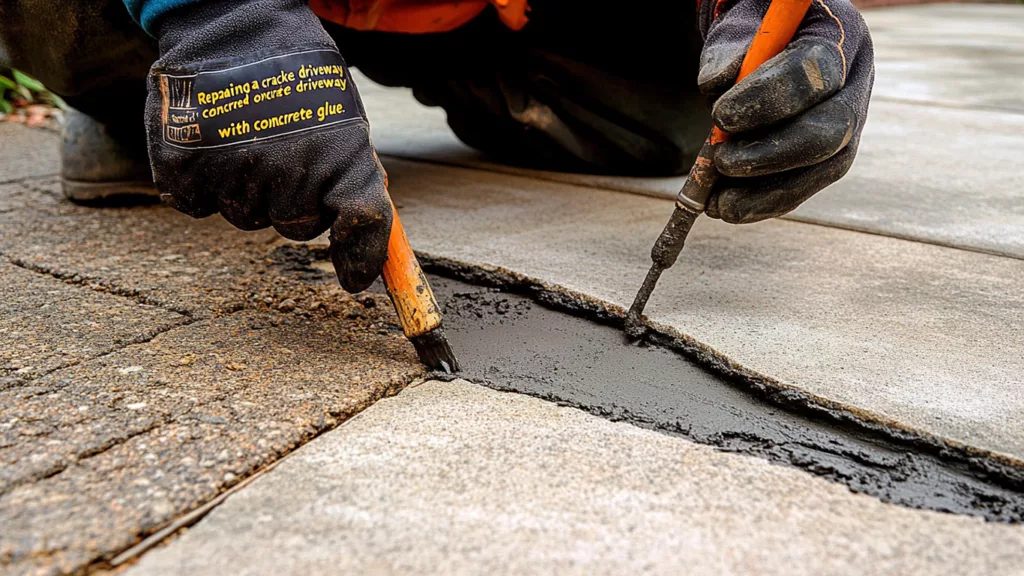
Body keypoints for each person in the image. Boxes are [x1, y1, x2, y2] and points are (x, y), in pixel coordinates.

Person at [0, 0, 873, 293]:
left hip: (476, 16)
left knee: (679, 113)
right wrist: (221, 18)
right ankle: (152, 81)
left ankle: (466, 77)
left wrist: (763, 20)